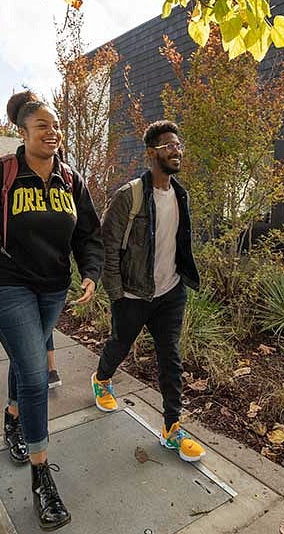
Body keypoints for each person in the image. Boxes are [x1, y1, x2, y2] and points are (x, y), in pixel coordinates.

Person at [0, 91, 103, 531]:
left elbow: (88, 234)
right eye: (43, 125)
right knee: (37, 374)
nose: (53, 132)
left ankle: (12, 418)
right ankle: (41, 478)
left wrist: (90, 270)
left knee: (28, 358)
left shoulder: (71, 179)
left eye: (57, 126)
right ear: (22, 132)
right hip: (7, 285)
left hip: (52, 290)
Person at [92, 120, 205, 462]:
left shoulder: (181, 195)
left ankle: (172, 428)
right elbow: (107, 246)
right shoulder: (130, 196)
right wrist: (115, 293)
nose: (177, 150)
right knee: (120, 344)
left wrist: (183, 279)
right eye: (169, 145)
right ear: (151, 153)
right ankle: (101, 379)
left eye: (178, 144)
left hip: (170, 292)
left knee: (170, 357)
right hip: (134, 293)